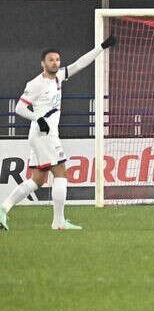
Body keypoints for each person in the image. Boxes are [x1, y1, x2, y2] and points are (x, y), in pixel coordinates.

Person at [0, 35, 116, 231]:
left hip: (42, 135)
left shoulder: (59, 77)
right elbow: (19, 108)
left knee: (37, 180)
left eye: (57, 60)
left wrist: (102, 47)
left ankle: (3, 209)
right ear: (43, 63)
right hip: (44, 135)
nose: (55, 63)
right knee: (61, 173)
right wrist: (39, 118)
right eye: (51, 60)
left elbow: (80, 64)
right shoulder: (36, 83)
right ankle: (58, 222)